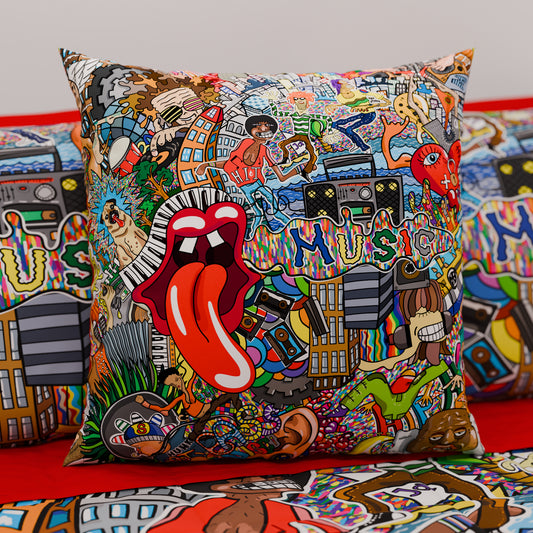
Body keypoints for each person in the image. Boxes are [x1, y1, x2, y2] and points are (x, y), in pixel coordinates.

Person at [197, 114, 302, 235]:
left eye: (267, 126)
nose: (263, 128)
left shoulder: (265, 150)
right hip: (244, 186)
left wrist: (298, 169)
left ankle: (293, 226)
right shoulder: (246, 142)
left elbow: (281, 176)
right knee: (258, 213)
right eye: (258, 126)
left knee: (274, 206)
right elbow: (233, 163)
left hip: (257, 183)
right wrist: (206, 165)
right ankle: (253, 234)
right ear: (251, 130)